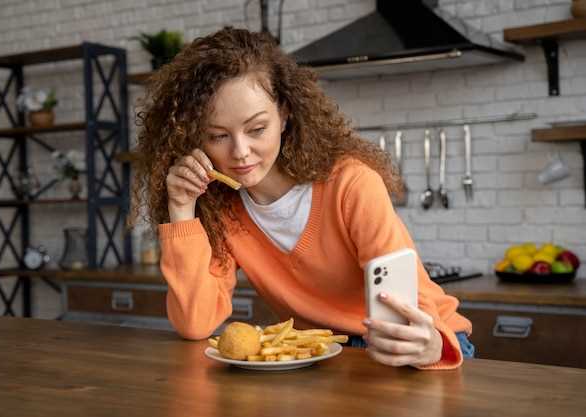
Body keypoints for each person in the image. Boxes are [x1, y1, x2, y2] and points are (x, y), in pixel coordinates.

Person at [130, 27, 473, 370]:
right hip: (325, 354)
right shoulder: (221, 208)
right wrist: (181, 208)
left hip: (419, 345)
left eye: (256, 129)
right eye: (218, 136)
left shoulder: (350, 185)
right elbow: (195, 324)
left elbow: (412, 297)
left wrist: (432, 345)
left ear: (284, 114)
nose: (240, 152)